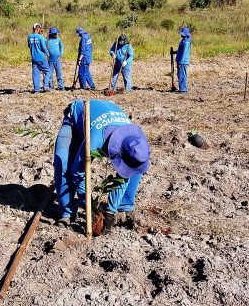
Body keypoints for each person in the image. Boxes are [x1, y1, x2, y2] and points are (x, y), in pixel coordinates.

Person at [53, 99, 151, 233]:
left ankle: (124, 205)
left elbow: (124, 174)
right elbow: (78, 172)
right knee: (64, 164)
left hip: (107, 113)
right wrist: (88, 203)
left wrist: (110, 212)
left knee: (135, 167)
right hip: (75, 122)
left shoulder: (137, 141)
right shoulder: (97, 141)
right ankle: (67, 213)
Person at [27, 23, 49, 93]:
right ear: (37, 29)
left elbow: (29, 46)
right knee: (47, 71)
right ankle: (45, 86)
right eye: (39, 29)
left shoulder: (29, 37)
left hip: (34, 58)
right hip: (42, 58)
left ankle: (36, 90)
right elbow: (44, 47)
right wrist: (47, 54)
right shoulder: (40, 37)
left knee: (35, 74)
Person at [175, 27, 192, 93]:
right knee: (179, 74)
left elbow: (184, 53)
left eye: (182, 34)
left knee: (182, 75)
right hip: (180, 60)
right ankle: (181, 88)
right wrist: (175, 52)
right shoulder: (183, 40)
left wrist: (180, 62)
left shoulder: (186, 42)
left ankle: (183, 90)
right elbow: (181, 50)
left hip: (183, 61)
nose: (181, 35)